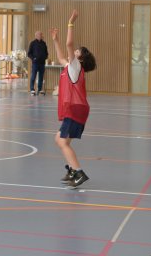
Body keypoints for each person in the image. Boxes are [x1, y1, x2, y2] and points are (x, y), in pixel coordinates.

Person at [51, 10, 96, 188]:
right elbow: (61, 57)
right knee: (60, 139)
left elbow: (69, 43)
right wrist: (55, 40)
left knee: (62, 141)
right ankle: (72, 170)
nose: (75, 49)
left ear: (80, 58)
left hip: (75, 109)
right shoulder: (71, 66)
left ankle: (79, 172)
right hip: (76, 108)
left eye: (79, 51)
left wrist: (71, 22)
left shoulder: (76, 66)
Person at [28, 31, 48, 96]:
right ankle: (32, 89)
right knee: (33, 76)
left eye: (41, 34)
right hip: (35, 63)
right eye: (40, 34)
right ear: (36, 36)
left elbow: (46, 52)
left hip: (42, 63)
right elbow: (29, 53)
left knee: (41, 77)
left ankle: (39, 89)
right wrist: (33, 58)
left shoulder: (44, 43)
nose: (41, 35)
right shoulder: (32, 43)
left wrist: (45, 57)